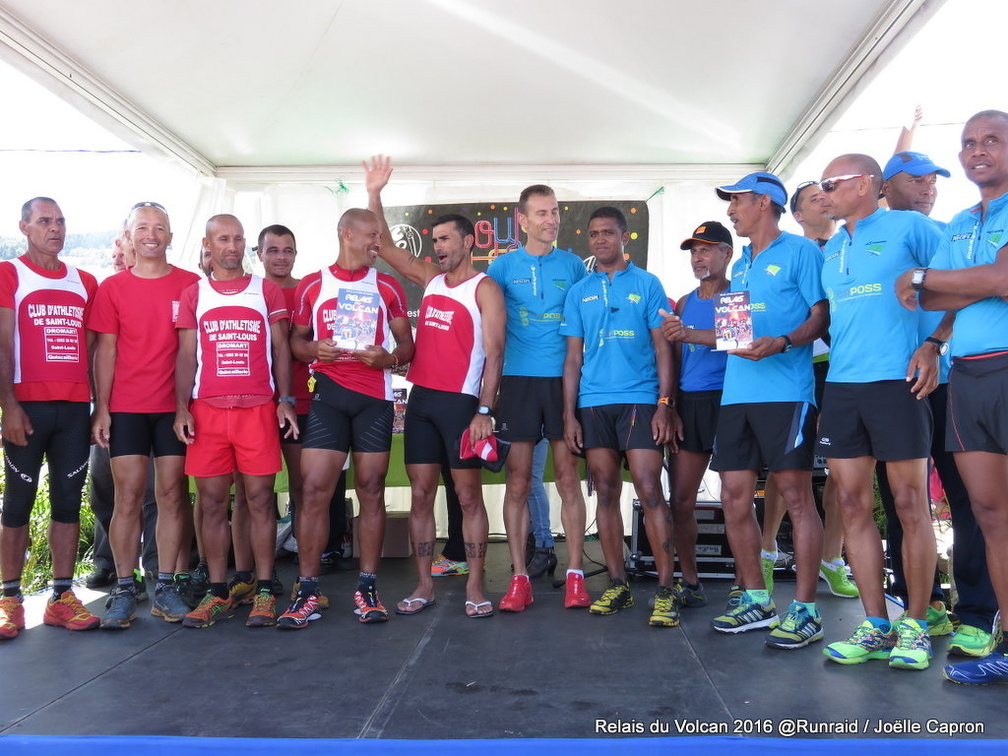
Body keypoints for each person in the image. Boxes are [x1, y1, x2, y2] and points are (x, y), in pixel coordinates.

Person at [815, 155, 942, 671]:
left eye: (831, 183)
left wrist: (936, 343)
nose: (823, 193)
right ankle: (875, 625)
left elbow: (960, 282)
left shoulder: (910, 226)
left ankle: (917, 625)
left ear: (866, 184)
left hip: (897, 381)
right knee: (850, 504)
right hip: (842, 386)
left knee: (910, 504)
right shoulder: (831, 249)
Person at [895, 109, 1008, 684]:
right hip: (968, 373)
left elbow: (1001, 280)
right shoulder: (961, 221)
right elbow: (937, 300)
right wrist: (939, 325)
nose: (977, 150)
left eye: (991, 140)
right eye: (968, 143)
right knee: (989, 513)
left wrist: (924, 277)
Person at [366, 156, 504, 619]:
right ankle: (424, 584)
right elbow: (386, 245)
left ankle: (476, 585)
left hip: (462, 405)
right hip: (422, 400)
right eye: (434, 240)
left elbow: (496, 354)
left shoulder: (485, 288)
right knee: (421, 494)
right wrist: (375, 194)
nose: (438, 246)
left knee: (467, 497)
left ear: (467, 242)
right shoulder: (431, 279)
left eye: (445, 239)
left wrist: (484, 411)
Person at [707, 172, 828, 650]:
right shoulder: (740, 263)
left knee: (797, 497)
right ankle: (757, 599)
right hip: (736, 394)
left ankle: (806, 610)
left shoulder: (801, 251)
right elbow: (733, 335)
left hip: (787, 392)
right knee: (734, 498)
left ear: (764, 202)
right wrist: (689, 333)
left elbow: (821, 316)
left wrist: (782, 342)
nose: (730, 210)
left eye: (736, 201)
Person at [281, 197, 414, 629]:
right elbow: (295, 342)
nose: (378, 242)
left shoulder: (388, 286)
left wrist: (389, 359)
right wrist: (312, 350)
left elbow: (407, 345)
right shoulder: (312, 285)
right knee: (314, 490)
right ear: (347, 233)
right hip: (330, 396)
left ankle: (368, 587)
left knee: (371, 488)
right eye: (372, 235)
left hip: (374, 398)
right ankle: (307, 590)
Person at [173, 214, 298, 629]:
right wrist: (181, 407)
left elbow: (281, 349)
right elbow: (186, 355)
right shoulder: (195, 294)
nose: (232, 247)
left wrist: (285, 400)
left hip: (257, 409)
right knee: (211, 502)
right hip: (207, 411)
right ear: (207, 245)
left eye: (238, 239)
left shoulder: (266, 290)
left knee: (260, 500)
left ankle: (263, 589)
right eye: (223, 239)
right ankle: (218, 590)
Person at [561, 207, 676, 626]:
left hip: (640, 399)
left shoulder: (647, 283)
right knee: (606, 492)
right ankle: (617, 584)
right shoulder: (579, 291)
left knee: (649, 488)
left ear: (625, 237)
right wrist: (569, 415)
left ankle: (667, 589)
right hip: (593, 402)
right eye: (594, 234)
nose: (600, 240)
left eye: (608, 232)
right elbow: (572, 359)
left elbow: (663, 347)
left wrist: (664, 403)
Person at [90, 202, 200, 629]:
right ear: (129, 235)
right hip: (127, 407)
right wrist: (102, 408)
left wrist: (185, 405)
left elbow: (193, 351)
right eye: (142, 227)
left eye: (159, 228)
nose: (151, 235)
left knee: (172, 495)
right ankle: (123, 587)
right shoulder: (112, 287)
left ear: (170, 235)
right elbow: (106, 352)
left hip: (173, 409)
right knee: (129, 497)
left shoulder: (190, 284)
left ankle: (166, 586)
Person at [486, 184, 591, 611]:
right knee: (517, 482)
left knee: (567, 480)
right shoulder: (501, 267)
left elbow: (586, 327)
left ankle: (575, 576)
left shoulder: (574, 266)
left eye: (555, 211)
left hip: (563, 382)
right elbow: (488, 331)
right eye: (542, 213)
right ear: (523, 220)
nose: (551, 220)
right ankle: (518, 578)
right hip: (518, 382)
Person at [0, 197, 100, 639]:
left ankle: (61, 596)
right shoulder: (9, 274)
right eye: (44, 221)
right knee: (17, 501)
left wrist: (98, 407)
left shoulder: (85, 282)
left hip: (75, 409)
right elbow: (3, 342)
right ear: (24, 227)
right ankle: (9, 598)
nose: (55, 228)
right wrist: (9, 406)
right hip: (27, 408)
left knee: (67, 500)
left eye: (60, 221)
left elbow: (95, 351)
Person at [759, 182, 857, 599]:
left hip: (842, 368)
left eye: (826, 194)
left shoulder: (848, 245)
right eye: (814, 198)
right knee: (787, 468)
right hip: (797, 368)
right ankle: (766, 552)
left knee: (843, 467)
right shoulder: (791, 252)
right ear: (796, 215)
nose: (824, 198)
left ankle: (831, 559)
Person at [659, 220, 733, 610]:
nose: (698, 258)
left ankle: (746, 586)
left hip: (731, 401)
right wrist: (669, 406)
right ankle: (690, 581)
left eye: (705, 249)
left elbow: (737, 340)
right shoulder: (685, 303)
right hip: (690, 403)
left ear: (727, 253)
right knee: (681, 500)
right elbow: (672, 359)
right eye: (694, 251)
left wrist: (688, 334)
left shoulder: (738, 294)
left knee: (737, 501)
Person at [86, 231, 158, 593]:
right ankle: (109, 563)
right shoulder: (106, 291)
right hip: (106, 407)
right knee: (105, 488)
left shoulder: (154, 289)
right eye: (113, 256)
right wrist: (97, 404)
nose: (117, 260)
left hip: (151, 406)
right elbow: (94, 350)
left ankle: (155, 568)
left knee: (151, 493)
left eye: (122, 254)